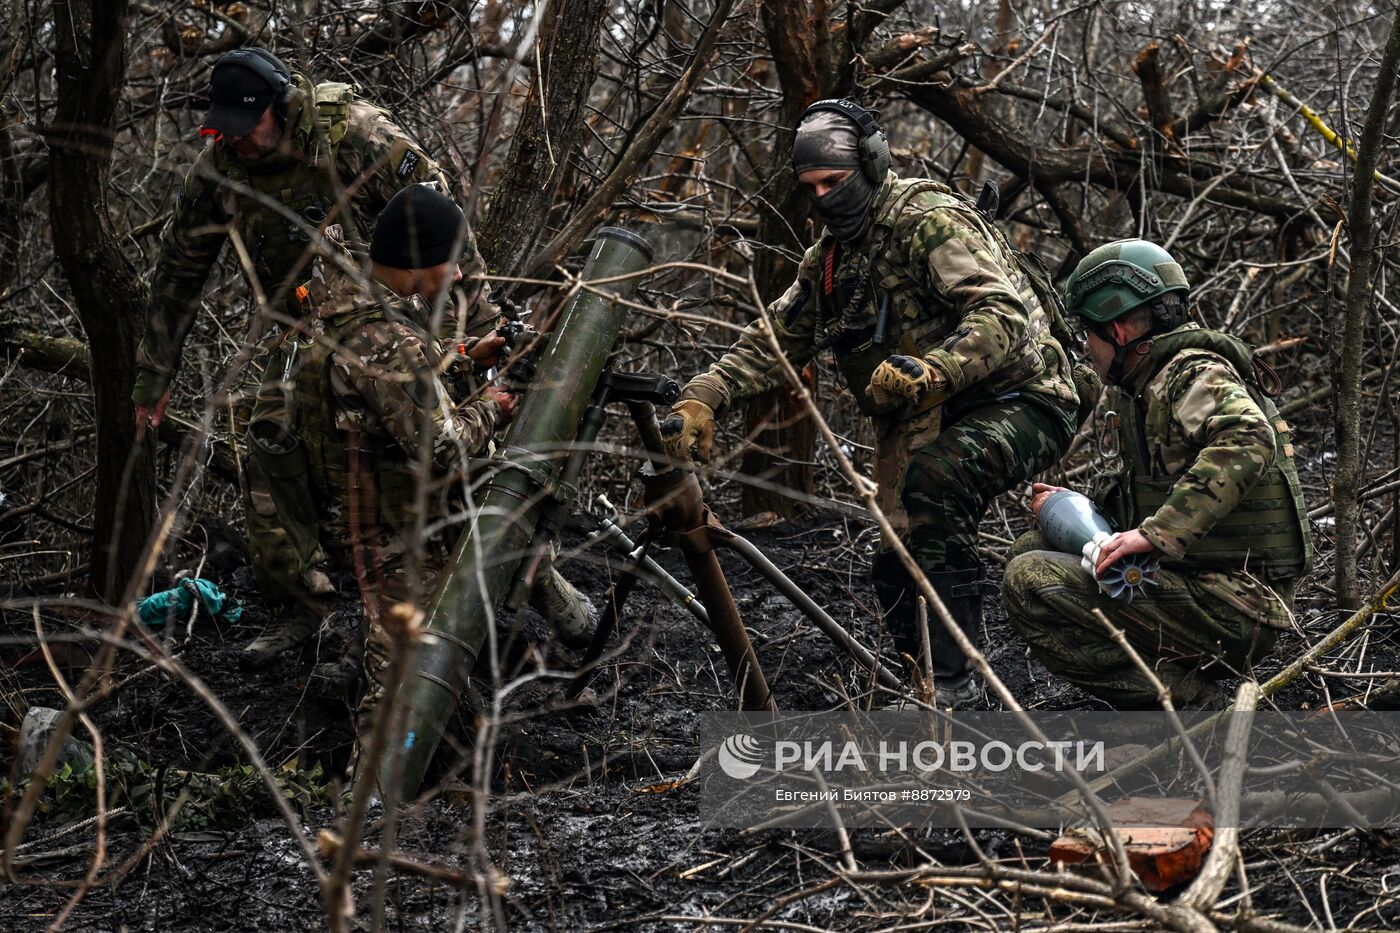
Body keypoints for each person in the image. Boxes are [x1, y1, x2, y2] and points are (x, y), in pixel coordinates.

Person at [660, 99, 1082, 707]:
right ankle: (925, 685)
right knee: (895, 559)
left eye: (836, 181)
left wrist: (936, 370)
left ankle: (959, 687)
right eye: (813, 187)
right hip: (926, 415)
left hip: (1024, 396)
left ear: (873, 164)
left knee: (935, 485)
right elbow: (777, 338)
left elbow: (1004, 314)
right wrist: (707, 394)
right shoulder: (830, 262)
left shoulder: (927, 222)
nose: (826, 198)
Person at [131, 47, 486, 662]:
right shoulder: (222, 172)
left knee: (430, 439)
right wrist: (153, 376)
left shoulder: (353, 133)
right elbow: (178, 274)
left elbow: (443, 227)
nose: (236, 143)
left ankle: (463, 576)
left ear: (279, 107)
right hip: (302, 330)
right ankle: (301, 605)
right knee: (268, 445)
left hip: (393, 321)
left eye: (247, 129)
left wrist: (472, 329)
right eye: (225, 133)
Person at [285, 185, 595, 761]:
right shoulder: (384, 339)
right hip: (387, 527)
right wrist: (491, 407)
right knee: (401, 664)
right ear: (420, 260)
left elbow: (397, 387)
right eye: (449, 262)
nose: (455, 276)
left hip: (397, 505)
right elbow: (442, 445)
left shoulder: (355, 297)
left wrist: (463, 354)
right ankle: (374, 790)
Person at [1002, 239, 1313, 709]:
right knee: (1033, 548)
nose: (1086, 348)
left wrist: (1156, 535)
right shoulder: (1152, 382)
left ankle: (1193, 706)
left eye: (1089, 332)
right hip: (1203, 585)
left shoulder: (1189, 372)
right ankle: (1173, 687)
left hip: (1237, 608)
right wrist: (1075, 512)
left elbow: (1247, 438)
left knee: (1032, 579)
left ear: (1120, 329)